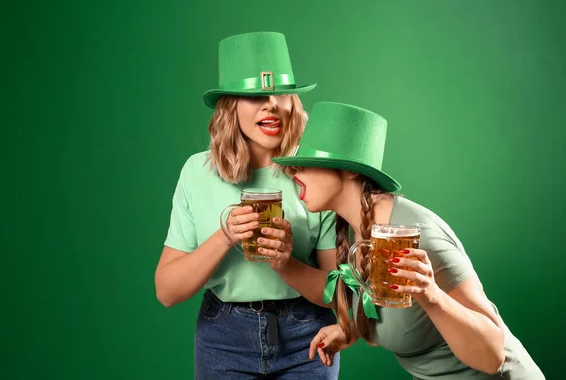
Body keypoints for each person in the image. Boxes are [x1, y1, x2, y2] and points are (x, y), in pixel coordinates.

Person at [270, 101, 545, 379]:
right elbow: (381, 306)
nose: (294, 173)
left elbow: (493, 356)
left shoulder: (415, 234)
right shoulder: (354, 229)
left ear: (351, 170)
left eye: (307, 164)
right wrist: (353, 328)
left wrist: (432, 296)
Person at [155, 32, 339, 379]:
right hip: (223, 336)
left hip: (309, 337)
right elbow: (167, 291)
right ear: (231, 107)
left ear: (293, 103)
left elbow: (337, 294)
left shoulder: (318, 174)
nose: (271, 104)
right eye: (254, 96)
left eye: (281, 94)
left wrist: (286, 264)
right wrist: (224, 237)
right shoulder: (198, 171)